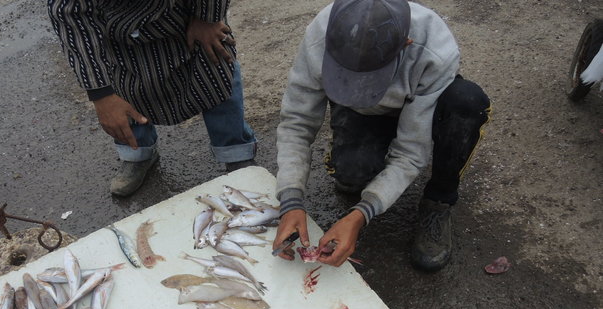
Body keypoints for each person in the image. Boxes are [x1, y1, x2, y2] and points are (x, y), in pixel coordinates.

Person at [272, 0, 491, 271]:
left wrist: (361, 215)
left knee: (467, 103)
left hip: (419, 107)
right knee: (351, 173)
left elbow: (410, 153)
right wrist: (291, 199)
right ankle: (360, 146)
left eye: (368, 77)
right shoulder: (321, 34)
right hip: (364, 110)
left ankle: (438, 201)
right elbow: (296, 122)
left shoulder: (435, 49)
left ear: (406, 44)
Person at [47, 0, 257, 197]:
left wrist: (207, 18)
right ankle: (137, 153)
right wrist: (101, 94)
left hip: (186, 17)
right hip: (119, 34)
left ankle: (235, 152)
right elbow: (68, 13)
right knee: (122, 93)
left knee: (216, 72)